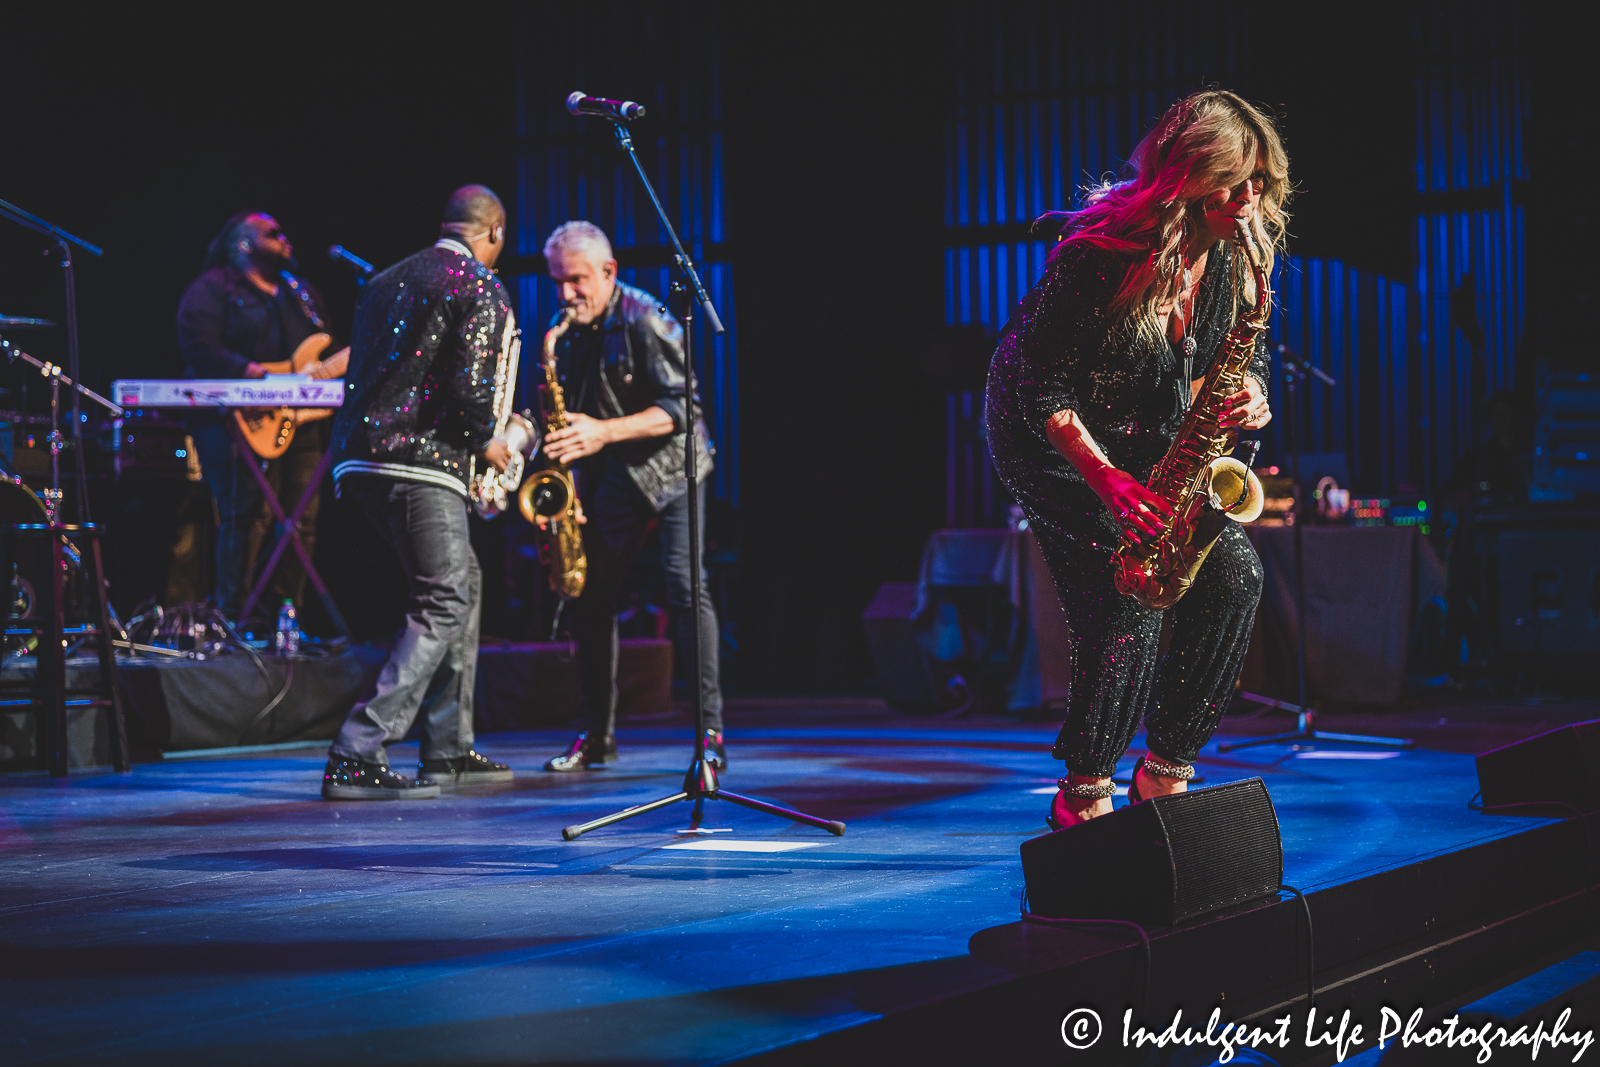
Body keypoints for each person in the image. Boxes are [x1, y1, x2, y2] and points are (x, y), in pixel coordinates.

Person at [985, 90, 1286, 829]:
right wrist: (1108, 479)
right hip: (1051, 438)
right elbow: (1041, 387)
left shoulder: (1236, 256)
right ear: (1185, 173)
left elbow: (1241, 355)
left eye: (1258, 182)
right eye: (1232, 181)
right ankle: (1084, 789)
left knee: (1237, 575)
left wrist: (1252, 388)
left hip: (1147, 437)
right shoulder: (1097, 255)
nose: (1248, 199)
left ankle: (1166, 771)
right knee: (1124, 593)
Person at [321, 185, 518, 799]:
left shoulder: (384, 281)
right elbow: (466, 396)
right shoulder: (478, 285)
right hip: (421, 463)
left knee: (464, 582)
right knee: (444, 598)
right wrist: (495, 440)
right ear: (494, 234)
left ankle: (449, 750)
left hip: (358, 459)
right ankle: (358, 749)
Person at [536, 221, 725, 772]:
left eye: (576, 281)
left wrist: (600, 432)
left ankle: (709, 736)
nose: (566, 295)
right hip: (618, 476)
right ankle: (596, 735)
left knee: (685, 585)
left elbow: (682, 410)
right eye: (557, 282)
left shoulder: (647, 318)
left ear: (608, 272)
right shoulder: (562, 331)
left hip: (676, 469)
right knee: (591, 597)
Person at [176, 212, 339, 622]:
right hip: (234, 419)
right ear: (243, 244)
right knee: (248, 514)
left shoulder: (300, 292)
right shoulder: (213, 289)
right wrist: (256, 377)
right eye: (273, 233)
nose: (285, 239)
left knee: (301, 520)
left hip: (301, 422)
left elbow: (319, 348)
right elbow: (198, 346)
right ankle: (235, 617)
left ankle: (285, 618)